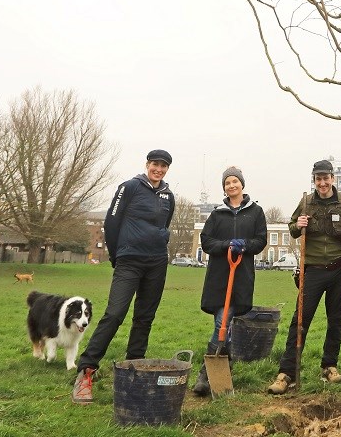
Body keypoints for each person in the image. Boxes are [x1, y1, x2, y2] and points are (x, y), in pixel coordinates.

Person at [72, 149, 176, 405]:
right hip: (129, 261)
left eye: (163, 166)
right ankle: (86, 372)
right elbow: (112, 222)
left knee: (144, 318)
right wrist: (118, 255)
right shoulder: (129, 187)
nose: (158, 169)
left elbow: (165, 224)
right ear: (147, 164)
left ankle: (134, 371)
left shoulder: (168, 195)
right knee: (115, 314)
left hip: (157, 263)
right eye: (155, 164)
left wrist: (162, 241)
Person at [267, 160, 341, 394]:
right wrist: (297, 224)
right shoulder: (306, 202)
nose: (322, 182)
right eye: (318, 179)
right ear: (314, 180)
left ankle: (329, 366)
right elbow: (291, 227)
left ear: (333, 178)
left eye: (326, 178)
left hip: (339, 269)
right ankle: (286, 373)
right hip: (312, 271)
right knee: (300, 320)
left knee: (336, 320)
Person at [192, 166, 268, 396]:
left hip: (241, 275)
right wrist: (226, 245)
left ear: (242, 184)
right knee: (223, 323)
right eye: (227, 183)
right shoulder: (217, 214)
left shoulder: (256, 212)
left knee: (224, 323)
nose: (231, 185)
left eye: (235, 181)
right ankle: (216, 370)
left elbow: (261, 240)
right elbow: (206, 242)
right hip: (219, 277)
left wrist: (244, 245)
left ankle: (208, 372)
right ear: (224, 188)